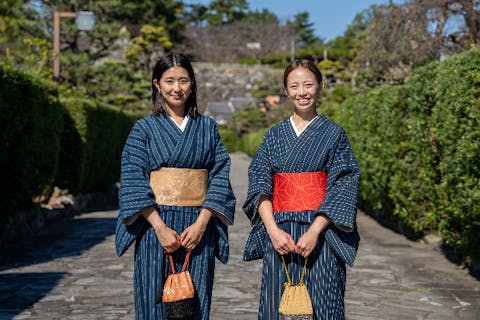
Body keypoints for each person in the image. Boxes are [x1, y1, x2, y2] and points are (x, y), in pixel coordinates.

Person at [115, 52, 236, 320]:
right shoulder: (143, 129)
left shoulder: (207, 128)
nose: (176, 88)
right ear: (157, 84)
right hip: (155, 226)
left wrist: (203, 222)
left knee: (195, 300)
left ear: (192, 84)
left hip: (197, 227)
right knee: (153, 300)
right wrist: (159, 227)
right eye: (169, 81)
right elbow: (133, 178)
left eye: (183, 80)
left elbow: (220, 174)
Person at [243, 58, 360, 320]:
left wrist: (315, 231)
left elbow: (344, 183)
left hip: (321, 233)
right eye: (294, 86)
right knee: (277, 304)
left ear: (320, 86)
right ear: (286, 91)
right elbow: (259, 183)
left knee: (324, 303)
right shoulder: (273, 136)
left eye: (308, 84)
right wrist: (272, 232)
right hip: (280, 231)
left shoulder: (334, 134)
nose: (302, 92)